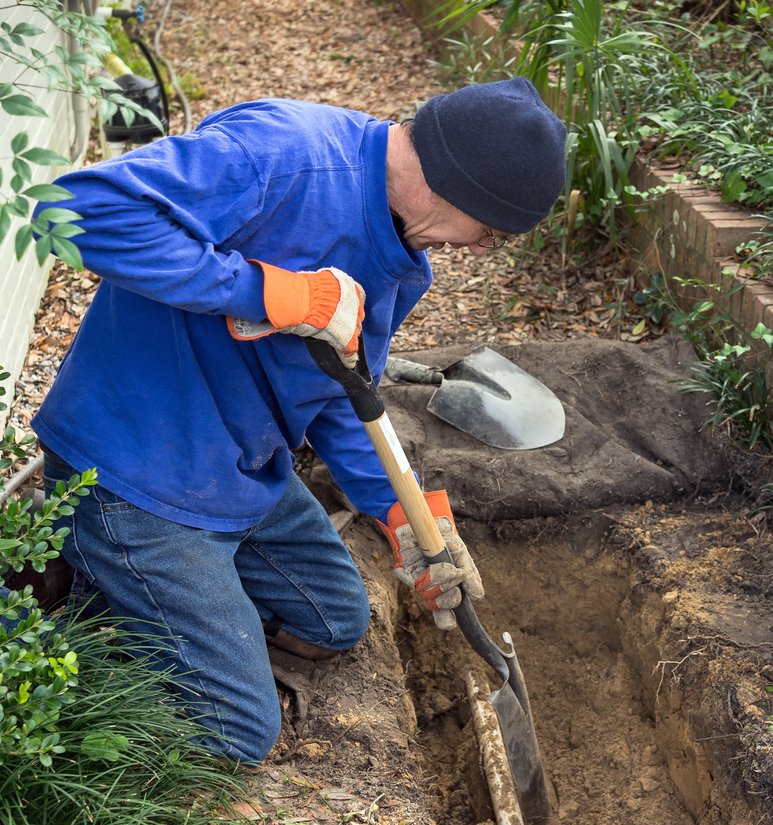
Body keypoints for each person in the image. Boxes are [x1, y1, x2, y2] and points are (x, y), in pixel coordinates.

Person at [31, 76, 566, 764]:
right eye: (490, 230)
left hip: (237, 469)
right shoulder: (284, 156)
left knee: (335, 620)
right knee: (235, 731)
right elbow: (70, 211)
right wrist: (266, 290)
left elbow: (343, 393)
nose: (484, 249)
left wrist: (408, 517)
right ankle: (71, 603)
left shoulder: (405, 264)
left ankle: (158, 599)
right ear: (456, 184)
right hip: (135, 468)